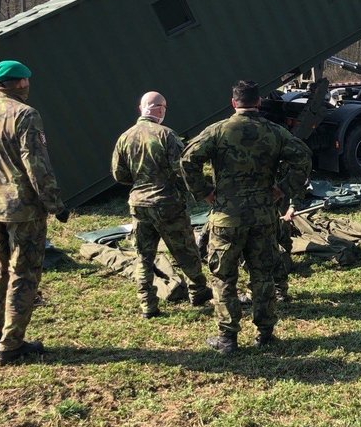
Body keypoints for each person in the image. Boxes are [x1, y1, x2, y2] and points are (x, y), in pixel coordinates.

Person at [181, 80, 311, 354]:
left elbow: (188, 159)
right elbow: (302, 157)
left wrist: (205, 192)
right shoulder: (274, 132)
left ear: (233, 103)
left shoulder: (217, 130)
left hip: (227, 218)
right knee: (262, 275)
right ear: (259, 102)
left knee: (224, 278)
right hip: (264, 216)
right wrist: (282, 189)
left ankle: (227, 339)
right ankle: (265, 334)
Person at [0, 60, 68, 366]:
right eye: (26, 81)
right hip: (23, 209)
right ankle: (12, 344)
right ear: (20, 83)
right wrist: (54, 204)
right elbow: (36, 164)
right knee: (23, 273)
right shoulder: (25, 114)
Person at [111, 91, 212, 317]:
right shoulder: (167, 135)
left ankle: (147, 303)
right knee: (185, 249)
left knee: (143, 255)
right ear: (160, 109)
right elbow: (182, 169)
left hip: (139, 203)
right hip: (167, 203)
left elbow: (119, 175)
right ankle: (198, 292)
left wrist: (141, 181)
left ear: (141, 109)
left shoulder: (124, 137)